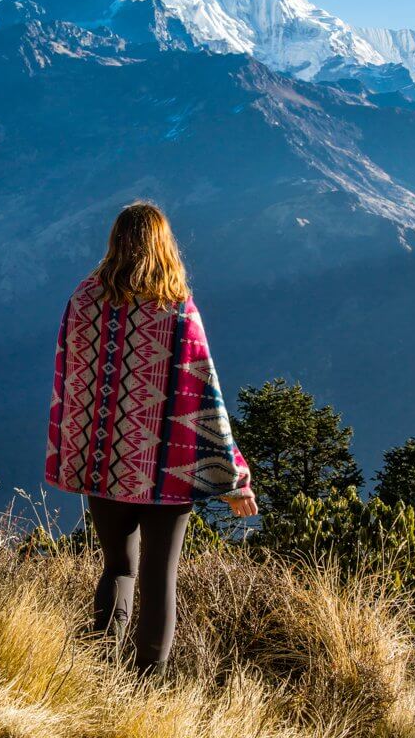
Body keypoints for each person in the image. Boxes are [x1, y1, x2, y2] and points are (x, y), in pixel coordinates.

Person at [45, 201, 257, 678]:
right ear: (163, 245)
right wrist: (235, 477)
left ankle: (97, 675)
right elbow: (205, 395)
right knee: (160, 578)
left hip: (102, 462)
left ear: (115, 241)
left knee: (118, 568)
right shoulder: (177, 308)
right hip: (166, 469)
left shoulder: (83, 299)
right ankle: (147, 689)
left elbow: (69, 376)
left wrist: (77, 446)